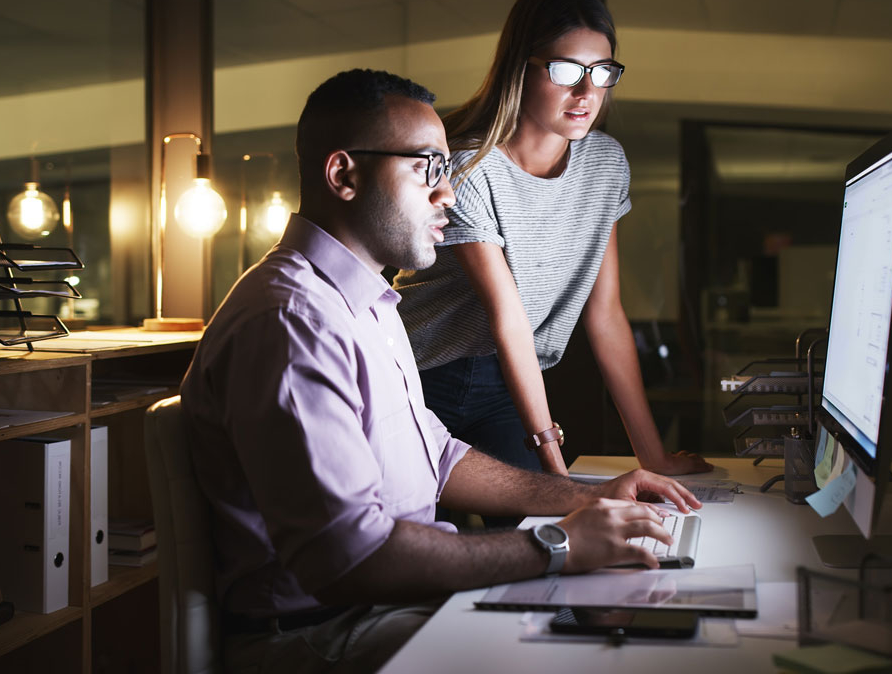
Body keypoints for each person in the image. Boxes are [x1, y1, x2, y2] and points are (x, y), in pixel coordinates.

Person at [179, 68, 702, 674]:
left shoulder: (366, 301)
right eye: (426, 167)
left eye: (447, 169)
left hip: (386, 608)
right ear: (344, 174)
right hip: (320, 634)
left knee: (634, 630)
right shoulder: (292, 322)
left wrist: (584, 497)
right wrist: (558, 544)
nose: (448, 193)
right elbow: (353, 558)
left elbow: (440, 458)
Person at [394, 0, 713, 479]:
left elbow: (605, 314)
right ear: (521, 67)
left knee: (548, 532)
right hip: (419, 373)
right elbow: (509, 318)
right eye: (566, 70)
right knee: (428, 540)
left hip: (511, 382)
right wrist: (555, 469)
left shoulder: (605, 166)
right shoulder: (471, 168)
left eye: (602, 72)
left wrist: (654, 458)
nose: (587, 92)